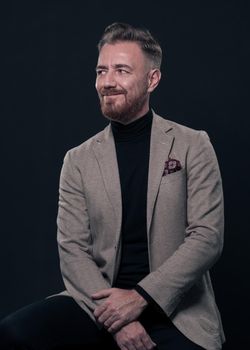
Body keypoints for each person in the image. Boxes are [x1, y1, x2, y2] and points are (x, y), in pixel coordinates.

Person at [0, 22, 225, 350]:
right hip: (96, 302)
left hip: (175, 309)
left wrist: (139, 299)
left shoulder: (193, 145)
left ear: (152, 79)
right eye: (101, 70)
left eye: (121, 70)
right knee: (13, 333)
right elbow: (73, 249)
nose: (107, 82)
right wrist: (115, 317)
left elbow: (207, 237)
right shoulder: (77, 160)